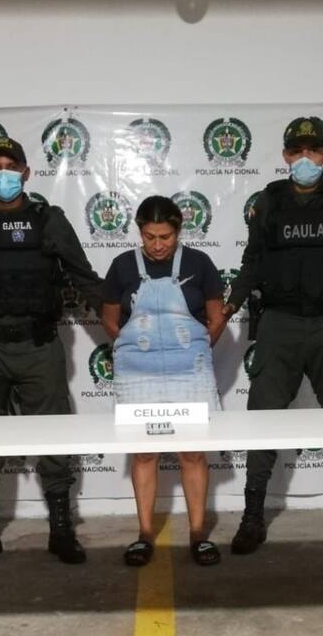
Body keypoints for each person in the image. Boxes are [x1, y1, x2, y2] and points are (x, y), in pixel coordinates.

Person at [223, 117, 323, 555]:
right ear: (285, 155)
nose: (305, 157)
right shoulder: (268, 202)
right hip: (280, 326)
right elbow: (252, 261)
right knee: (263, 423)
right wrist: (230, 305)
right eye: (297, 150)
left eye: (314, 149)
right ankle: (252, 516)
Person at [0, 136, 103, 565]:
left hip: (38, 347)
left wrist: (118, 316)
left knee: (53, 439)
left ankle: (61, 529)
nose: (3, 174)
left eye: (11, 166)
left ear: (26, 172)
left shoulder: (48, 220)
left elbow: (82, 275)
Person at [101, 195, 228, 567]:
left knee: (193, 452)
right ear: (140, 231)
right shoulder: (122, 266)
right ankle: (144, 534)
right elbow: (110, 319)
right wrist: (132, 347)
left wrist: (193, 350)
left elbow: (216, 318)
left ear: (179, 231)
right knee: (144, 453)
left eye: (166, 237)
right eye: (150, 236)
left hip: (190, 372)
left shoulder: (199, 263)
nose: (157, 245)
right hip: (136, 375)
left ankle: (198, 534)